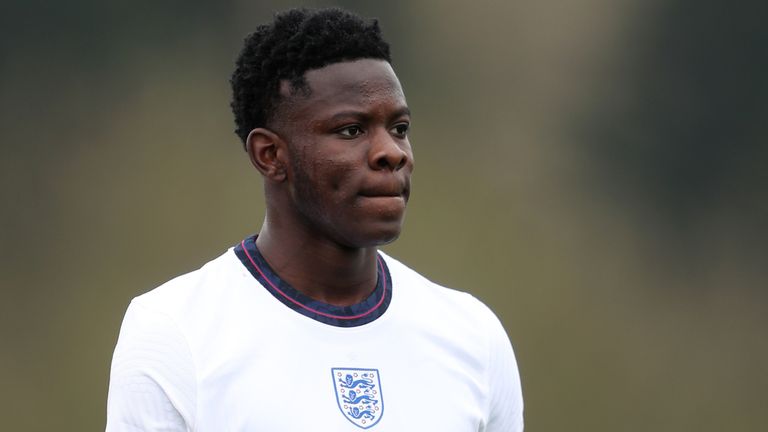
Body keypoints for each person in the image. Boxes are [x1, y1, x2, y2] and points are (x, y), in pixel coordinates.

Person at [106, 7, 523, 431]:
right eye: (351, 130)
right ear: (270, 155)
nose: (392, 153)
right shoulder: (175, 332)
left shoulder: (474, 338)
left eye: (399, 128)